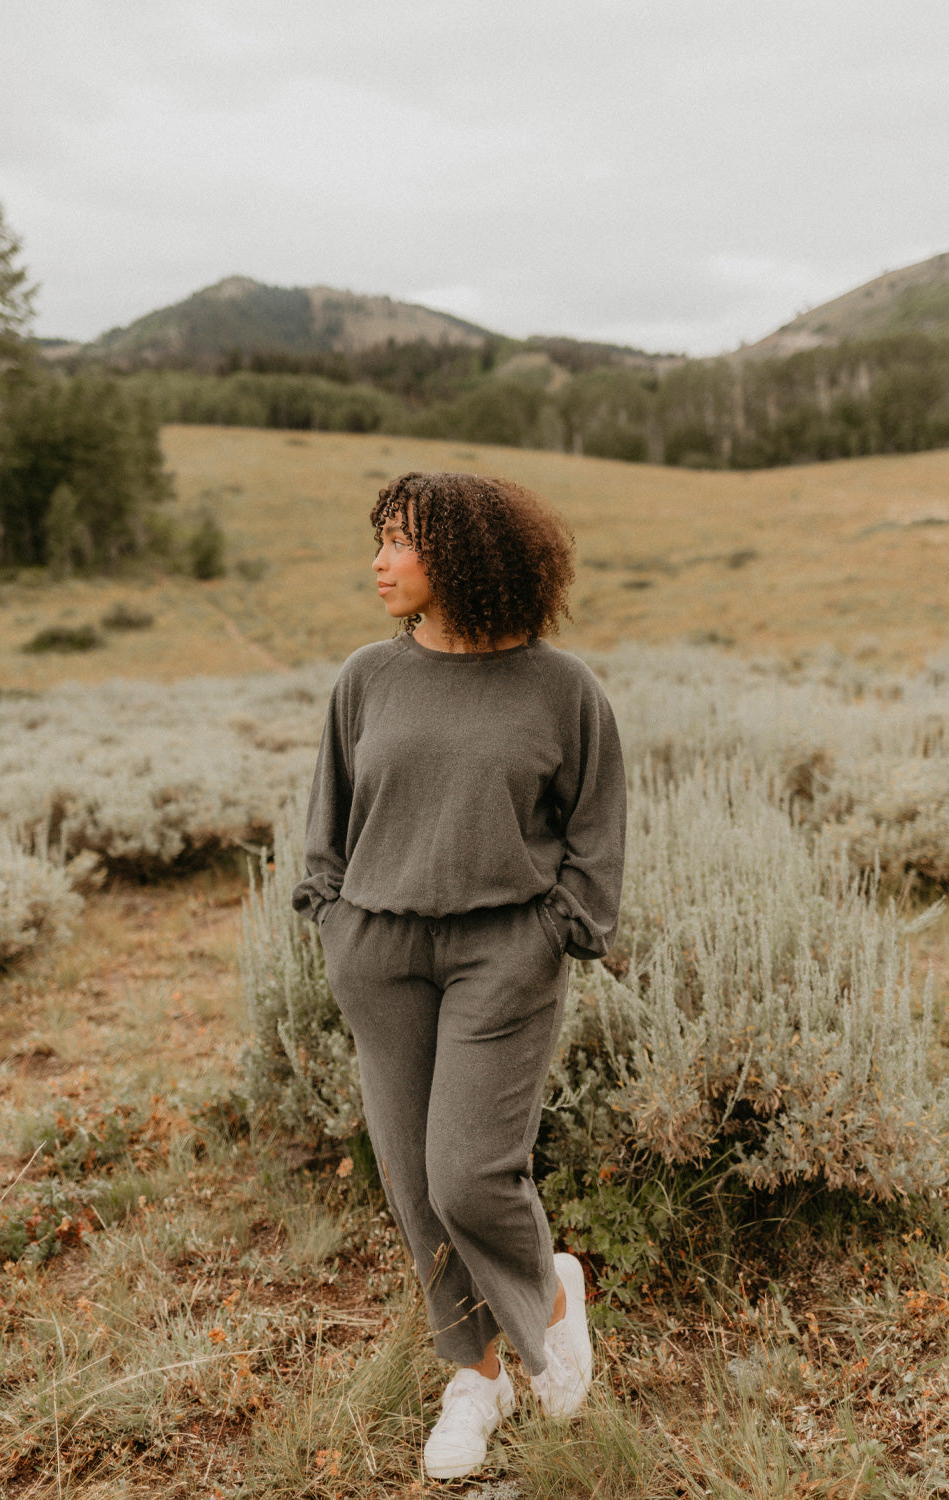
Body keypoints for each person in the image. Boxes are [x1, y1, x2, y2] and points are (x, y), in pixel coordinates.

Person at [292, 470, 626, 1481]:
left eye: (398, 542)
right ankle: (475, 1378)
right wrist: (330, 914)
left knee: (469, 1175)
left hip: (500, 954)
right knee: (414, 1189)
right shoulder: (366, 677)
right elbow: (329, 816)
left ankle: (551, 1295)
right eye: (379, 541)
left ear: (463, 556)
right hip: (380, 954)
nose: (379, 562)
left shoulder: (560, 689)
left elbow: (594, 830)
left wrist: (560, 929)